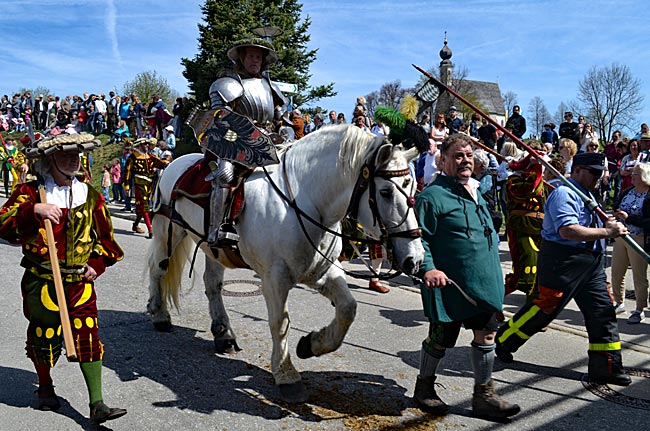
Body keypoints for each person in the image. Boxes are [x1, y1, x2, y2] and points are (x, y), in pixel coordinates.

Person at [0, 133, 126, 424]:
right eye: (66, 154)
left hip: (80, 283)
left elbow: (106, 240)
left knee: (88, 334)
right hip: (41, 280)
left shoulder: (90, 195)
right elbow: (3, 225)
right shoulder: (31, 192)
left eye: (77, 154)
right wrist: (33, 210)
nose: (73, 159)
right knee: (45, 335)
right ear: (50, 159)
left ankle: (97, 404)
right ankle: (45, 387)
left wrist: (97, 263)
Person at [496, 152, 632, 387]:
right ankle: (504, 340)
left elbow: (591, 223)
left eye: (601, 173)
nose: (598, 177)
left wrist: (611, 220)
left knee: (603, 313)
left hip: (592, 264)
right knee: (543, 310)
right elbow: (568, 230)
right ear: (577, 170)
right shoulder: (564, 193)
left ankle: (606, 367)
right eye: (594, 173)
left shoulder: (589, 193)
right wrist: (608, 233)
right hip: (562, 261)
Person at [413, 133, 520, 419]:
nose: (465, 161)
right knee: (440, 339)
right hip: (448, 284)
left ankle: (483, 396)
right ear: (443, 160)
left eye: (469, 156)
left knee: (487, 335)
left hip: (482, 282)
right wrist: (429, 268)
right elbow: (420, 239)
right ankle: (424, 388)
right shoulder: (431, 197)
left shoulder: (476, 192)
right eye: (458, 156)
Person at [198, 36, 288, 248]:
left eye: (258, 57)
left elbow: (282, 119)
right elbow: (220, 118)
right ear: (242, 58)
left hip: (270, 141)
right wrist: (243, 136)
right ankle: (217, 230)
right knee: (225, 175)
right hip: (235, 141)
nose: (255, 60)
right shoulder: (228, 85)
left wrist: (286, 133)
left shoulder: (271, 88)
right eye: (251, 56)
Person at [503, 141, 546, 300]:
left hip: (541, 228)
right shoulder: (513, 181)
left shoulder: (543, 179)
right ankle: (493, 302)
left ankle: (534, 305)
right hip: (521, 228)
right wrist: (537, 168)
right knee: (525, 268)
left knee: (541, 269)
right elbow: (530, 190)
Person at [611, 162, 650, 323]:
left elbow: (648, 221)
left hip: (639, 238)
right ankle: (619, 302)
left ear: (643, 177)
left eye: (635, 174)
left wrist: (629, 217)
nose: (631, 176)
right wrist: (616, 213)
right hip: (622, 236)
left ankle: (639, 309)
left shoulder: (648, 196)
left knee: (639, 275)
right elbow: (615, 204)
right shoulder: (627, 192)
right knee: (616, 271)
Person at [123, 137, 168, 238]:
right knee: (145, 205)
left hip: (150, 184)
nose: (147, 146)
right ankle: (150, 229)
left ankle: (135, 225)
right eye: (145, 144)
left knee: (141, 207)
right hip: (139, 183)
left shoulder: (150, 156)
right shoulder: (133, 157)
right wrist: (126, 186)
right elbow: (127, 172)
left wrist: (167, 160)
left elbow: (161, 164)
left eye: (148, 144)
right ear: (140, 145)